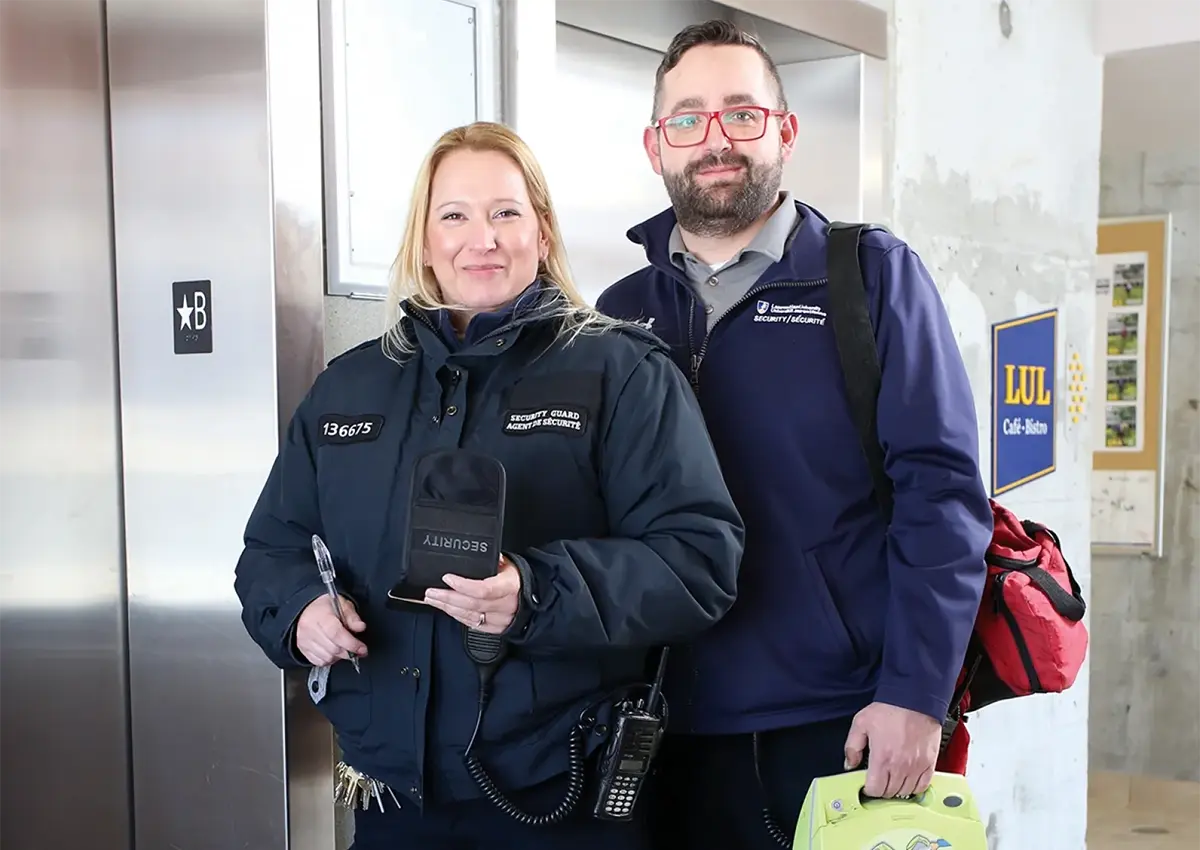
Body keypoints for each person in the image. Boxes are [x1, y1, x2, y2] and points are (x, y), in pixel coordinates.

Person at [233, 120, 745, 850]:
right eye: (455, 215)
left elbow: (700, 559)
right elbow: (269, 550)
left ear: (541, 230)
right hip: (393, 802)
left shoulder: (621, 373)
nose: (484, 238)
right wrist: (297, 613)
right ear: (424, 239)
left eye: (507, 212)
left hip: (559, 794)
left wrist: (534, 593)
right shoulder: (348, 388)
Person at [595, 20, 994, 850]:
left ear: (785, 129)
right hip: (659, 727)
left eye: (742, 113)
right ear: (654, 144)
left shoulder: (870, 277)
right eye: (688, 118)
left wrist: (917, 694)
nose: (715, 140)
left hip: (838, 727)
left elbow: (943, 497)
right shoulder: (620, 311)